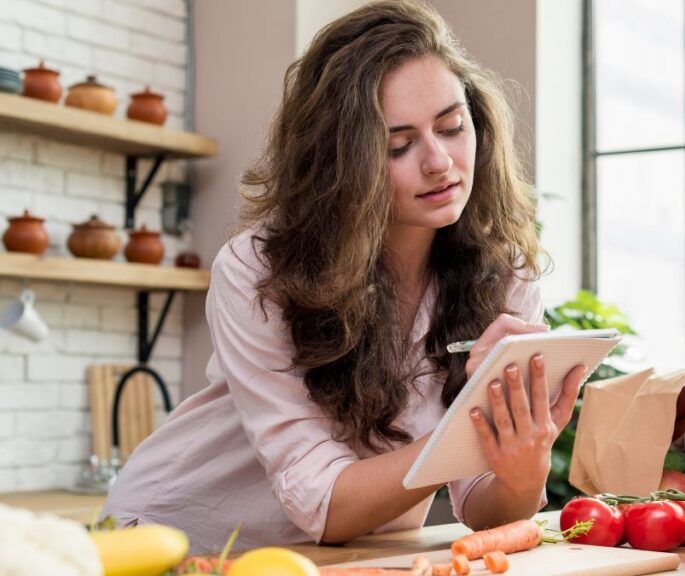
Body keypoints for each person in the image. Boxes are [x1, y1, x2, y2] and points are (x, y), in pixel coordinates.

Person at [102, 0, 587, 554]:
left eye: (453, 127)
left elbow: (485, 507)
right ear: (340, 161)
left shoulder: (504, 275)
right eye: (397, 145)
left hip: (361, 554)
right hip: (190, 540)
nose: (439, 162)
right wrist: (473, 423)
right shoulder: (257, 270)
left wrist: (522, 461)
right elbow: (323, 504)